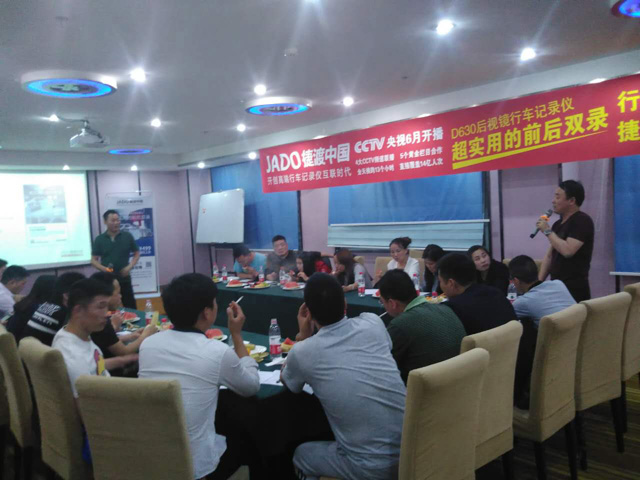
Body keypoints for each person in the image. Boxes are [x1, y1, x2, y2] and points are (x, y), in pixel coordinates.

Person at [281, 273, 406, 480]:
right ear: (345, 304)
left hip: (371, 468)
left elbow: (288, 382)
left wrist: (302, 337)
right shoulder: (373, 322)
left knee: (301, 454)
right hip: (413, 450)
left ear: (308, 313)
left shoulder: (303, 351)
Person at [139, 273, 260, 479]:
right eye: (214, 302)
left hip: (152, 455)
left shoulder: (148, 345)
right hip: (194, 463)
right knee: (252, 439)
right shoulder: (216, 351)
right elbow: (251, 387)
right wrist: (236, 334)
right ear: (207, 312)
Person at [508, 255, 577, 408]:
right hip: (577, 346)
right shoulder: (558, 284)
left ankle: (518, 396)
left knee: (523, 341)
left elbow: (506, 317)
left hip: (554, 356)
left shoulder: (524, 302)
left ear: (516, 281)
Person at [52, 279, 139, 397]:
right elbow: (86, 404)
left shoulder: (74, 335)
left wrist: (121, 361)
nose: (106, 314)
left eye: (107, 307)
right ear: (78, 310)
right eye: (101, 307)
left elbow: (91, 365)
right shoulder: (73, 356)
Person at [379, 269, 466, 383]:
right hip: (462, 383)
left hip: (429, 389)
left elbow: (382, 367)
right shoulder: (445, 309)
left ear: (392, 303)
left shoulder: (400, 325)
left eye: (382, 302)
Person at [537, 180, 594, 302]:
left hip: (574, 289)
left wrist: (547, 231)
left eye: (558, 197)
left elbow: (568, 251)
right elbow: (550, 256)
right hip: (556, 287)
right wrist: (538, 283)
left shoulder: (582, 221)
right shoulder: (557, 224)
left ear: (571, 200)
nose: (553, 201)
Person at [438, 253, 516, 335]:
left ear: (451, 283)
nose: (440, 285)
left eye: (440, 281)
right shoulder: (496, 293)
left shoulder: (452, 309)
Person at [89, 272, 157, 365]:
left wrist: (130, 336)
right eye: (118, 293)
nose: (121, 297)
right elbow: (124, 352)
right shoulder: (101, 321)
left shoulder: (94, 315)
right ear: (105, 296)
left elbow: (104, 341)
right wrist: (145, 336)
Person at [18, 272, 86, 345]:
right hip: (48, 351)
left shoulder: (45, 305)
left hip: (28, 350)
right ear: (66, 295)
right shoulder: (64, 314)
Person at [91, 210, 140, 309]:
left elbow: (137, 253)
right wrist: (104, 269)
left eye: (118, 220)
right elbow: (93, 260)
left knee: (130, 306)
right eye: (113, 220)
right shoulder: (100, 239)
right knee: (108, 307)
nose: (116, 223)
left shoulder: (127, 236)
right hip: (107, 281)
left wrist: (129, 267)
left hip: (124, 278)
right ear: (105, 222)